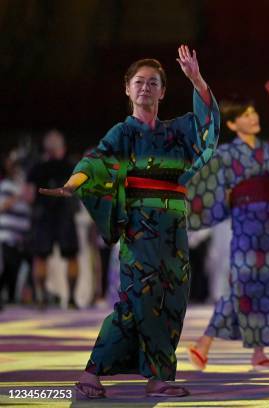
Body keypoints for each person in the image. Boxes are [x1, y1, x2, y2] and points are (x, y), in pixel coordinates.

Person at [39, 45, 219, 398]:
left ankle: (159, 377)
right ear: (127, 88)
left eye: (153, 83)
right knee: (137, 299)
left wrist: (196, 80)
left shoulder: (177, 131)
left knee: (171, 300)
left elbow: (207, 128)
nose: (146, 88)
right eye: (139, 82)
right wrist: (71, 184)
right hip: (140, 230)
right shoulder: (122, 133)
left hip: (174, 231)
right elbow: (95, 164)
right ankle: (93, 372)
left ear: (163, 91)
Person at [186, 81, 269, 371]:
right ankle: (205, 342)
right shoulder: (225, 155)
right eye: (246, 114)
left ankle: (259, 353)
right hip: (247, 224)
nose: (254, 117)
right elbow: (208, 188)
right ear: (235, 124)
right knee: (242, 283)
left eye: (254, 112)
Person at [27, 130, 80, 308]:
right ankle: (71, 299)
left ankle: (41, 298)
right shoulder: (72, 166)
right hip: (65, 214)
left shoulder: (37, 168)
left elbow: (28, 197)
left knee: (41, 257)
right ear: (61, 148)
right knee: (71, 256)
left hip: (44, 216)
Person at [0, 153, 31, 308]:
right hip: (7, 235)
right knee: (7, 269)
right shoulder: (5, 185)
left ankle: (12, 300)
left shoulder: (25, 188)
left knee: (16, 270)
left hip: (22, 237)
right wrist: (18, 196)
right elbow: (2, 206)